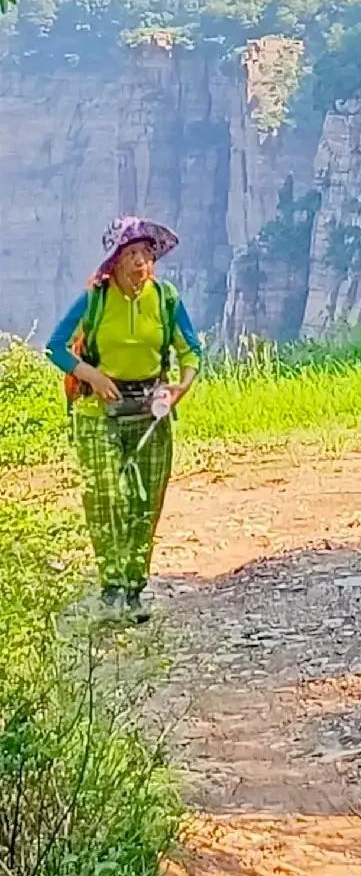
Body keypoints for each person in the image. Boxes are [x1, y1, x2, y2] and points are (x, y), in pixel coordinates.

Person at [45, 216, 202, 622]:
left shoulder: (165, 299)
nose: (140, 265)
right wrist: (91, 376)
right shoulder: (94, 301)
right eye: (130, 255)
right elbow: (56, 347)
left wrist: (180, 388)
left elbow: (192, 352)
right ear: (113, 263)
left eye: (146, 255)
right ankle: (111, 585)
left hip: (150, 410)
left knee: (146, 500)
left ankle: (134, 589)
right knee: (106, 496)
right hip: (98, 410)